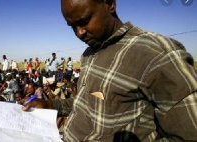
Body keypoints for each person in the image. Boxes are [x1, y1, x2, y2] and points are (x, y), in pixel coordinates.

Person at [23, 0, 197, 141]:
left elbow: (189, 134)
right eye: (72, 26)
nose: (79, 33)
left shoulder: (156, 55)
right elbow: (84, 103)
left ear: (110, 4)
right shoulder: (90, 52)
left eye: (84, 21)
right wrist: (52, 105)